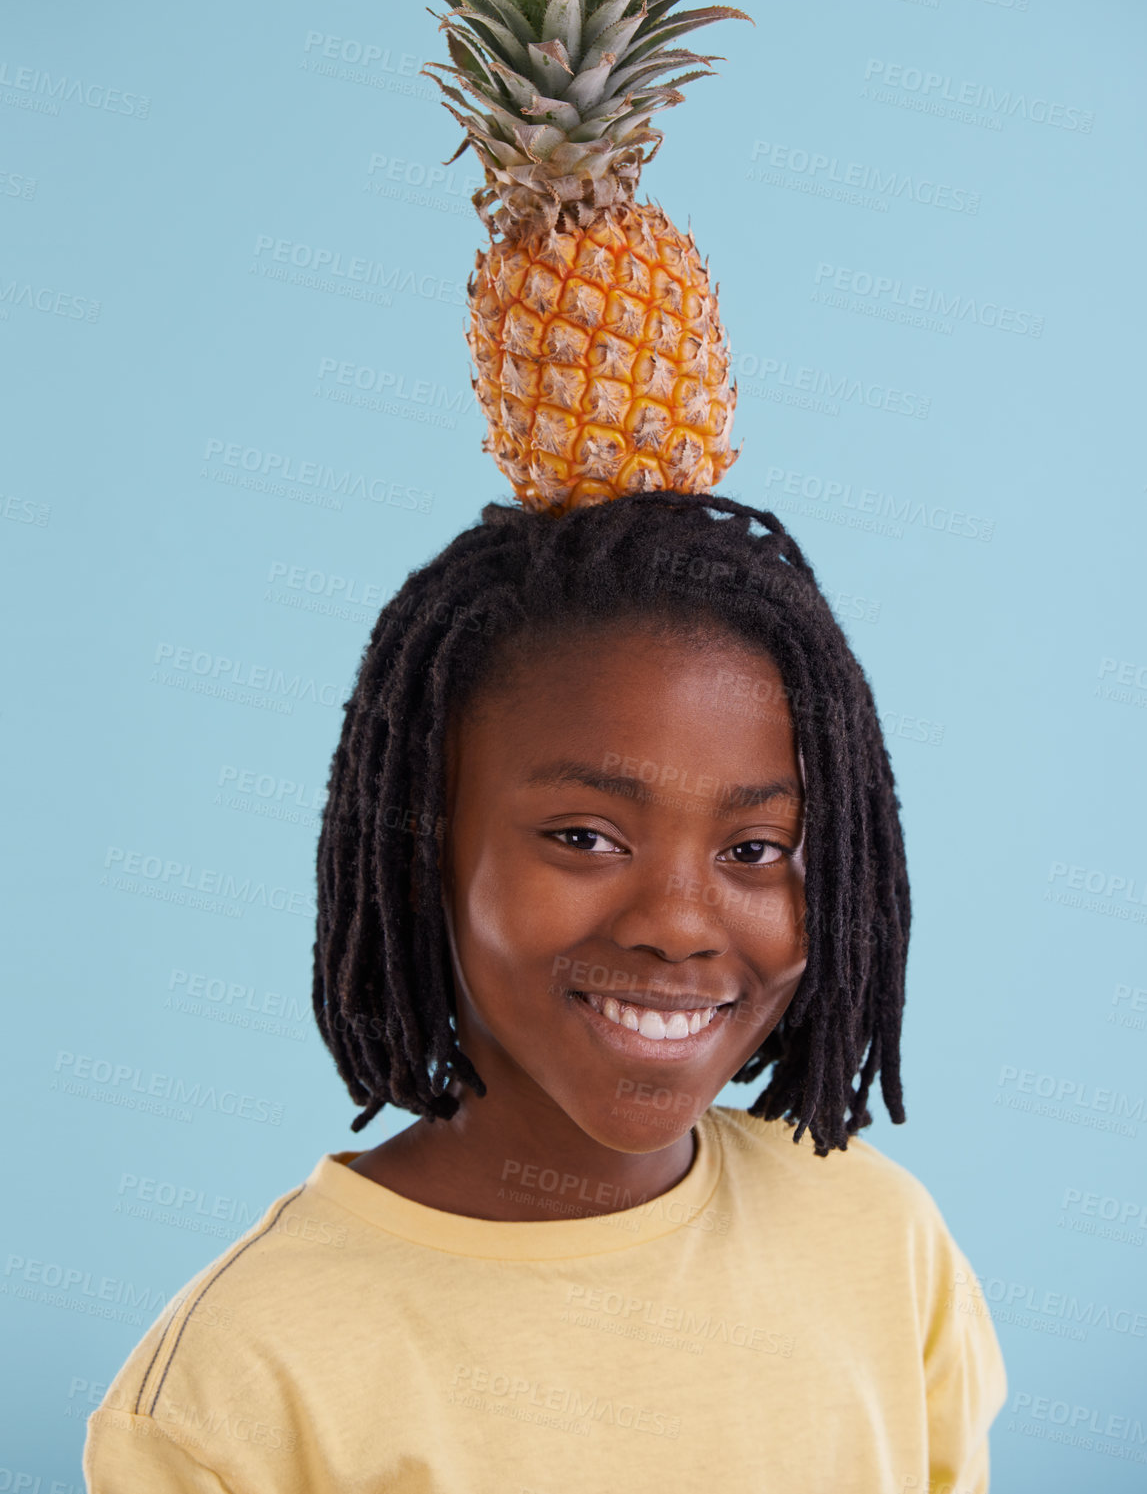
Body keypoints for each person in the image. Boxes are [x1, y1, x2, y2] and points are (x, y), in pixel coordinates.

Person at [84, 490, 1006, 1491]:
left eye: (755, 848)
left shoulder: (879, 1238)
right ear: (420, 849)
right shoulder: (243, 1381)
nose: (679, 921)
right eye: (582, 837)